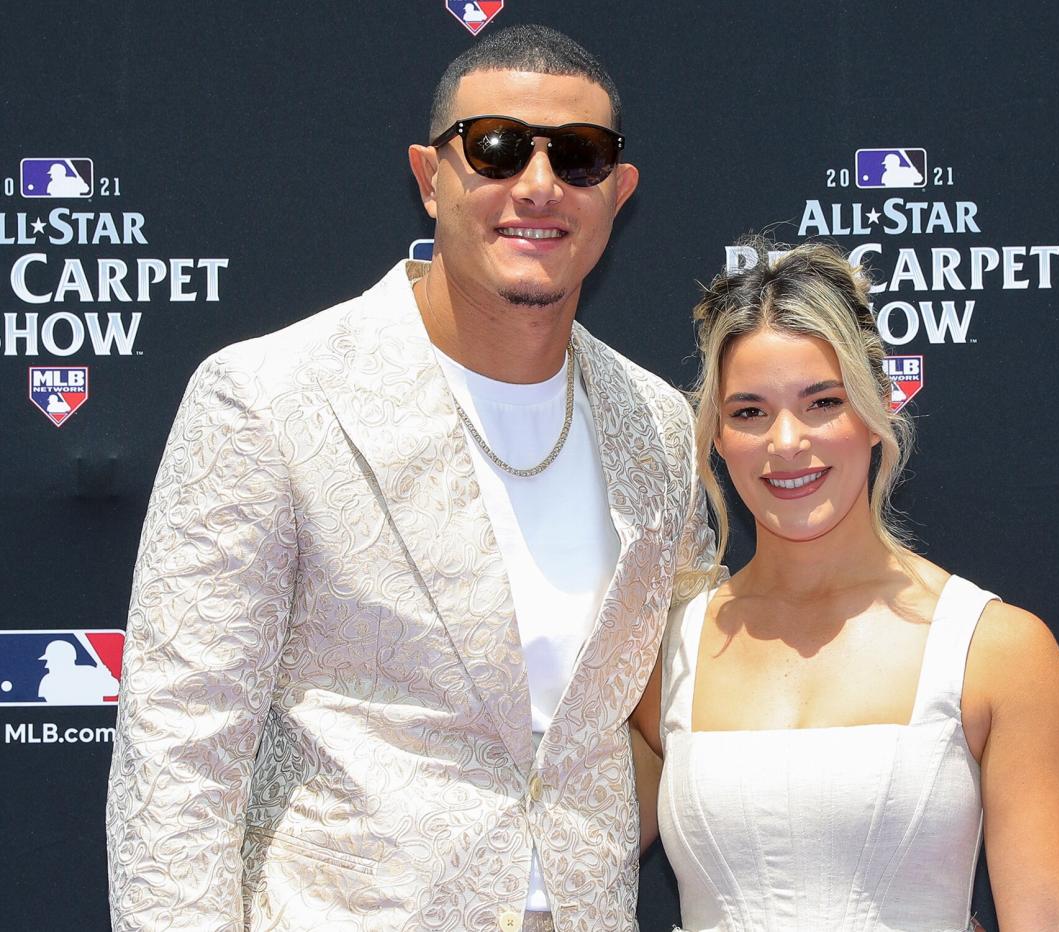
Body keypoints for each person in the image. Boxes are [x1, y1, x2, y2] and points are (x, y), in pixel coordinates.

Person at [106, 25, 715, 932]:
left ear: (617, 194)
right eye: (496, 148)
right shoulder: (271, 399)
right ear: (431, 177)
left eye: (579, 158)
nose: (538, 186)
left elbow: (689, 700)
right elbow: (178, 754)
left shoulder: (658, 425)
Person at [631, 239, 1059, 931]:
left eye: (822, 402)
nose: (786, 441)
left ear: (877, 407)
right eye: (750, 412)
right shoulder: (664, 652)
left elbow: (1055, 915)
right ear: (716, 436)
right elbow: (563, 845)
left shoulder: (996, 650)